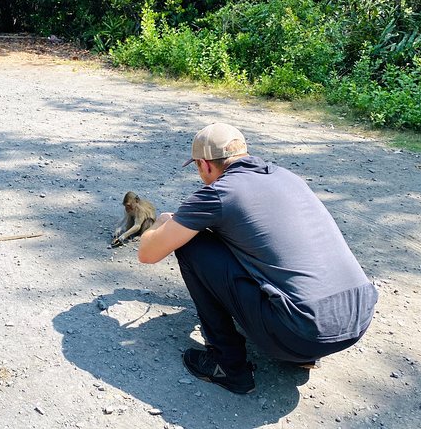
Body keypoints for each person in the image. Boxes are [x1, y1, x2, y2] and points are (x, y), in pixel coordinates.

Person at [138, 123, 378, 394]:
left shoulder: (219, 193)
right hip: (357, 317)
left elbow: (148, 254)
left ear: (204, 165)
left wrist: (162, 223)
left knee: (192, 244)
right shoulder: (286, 177)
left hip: (304, 331)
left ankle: (227, 365)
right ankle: (301, 354)